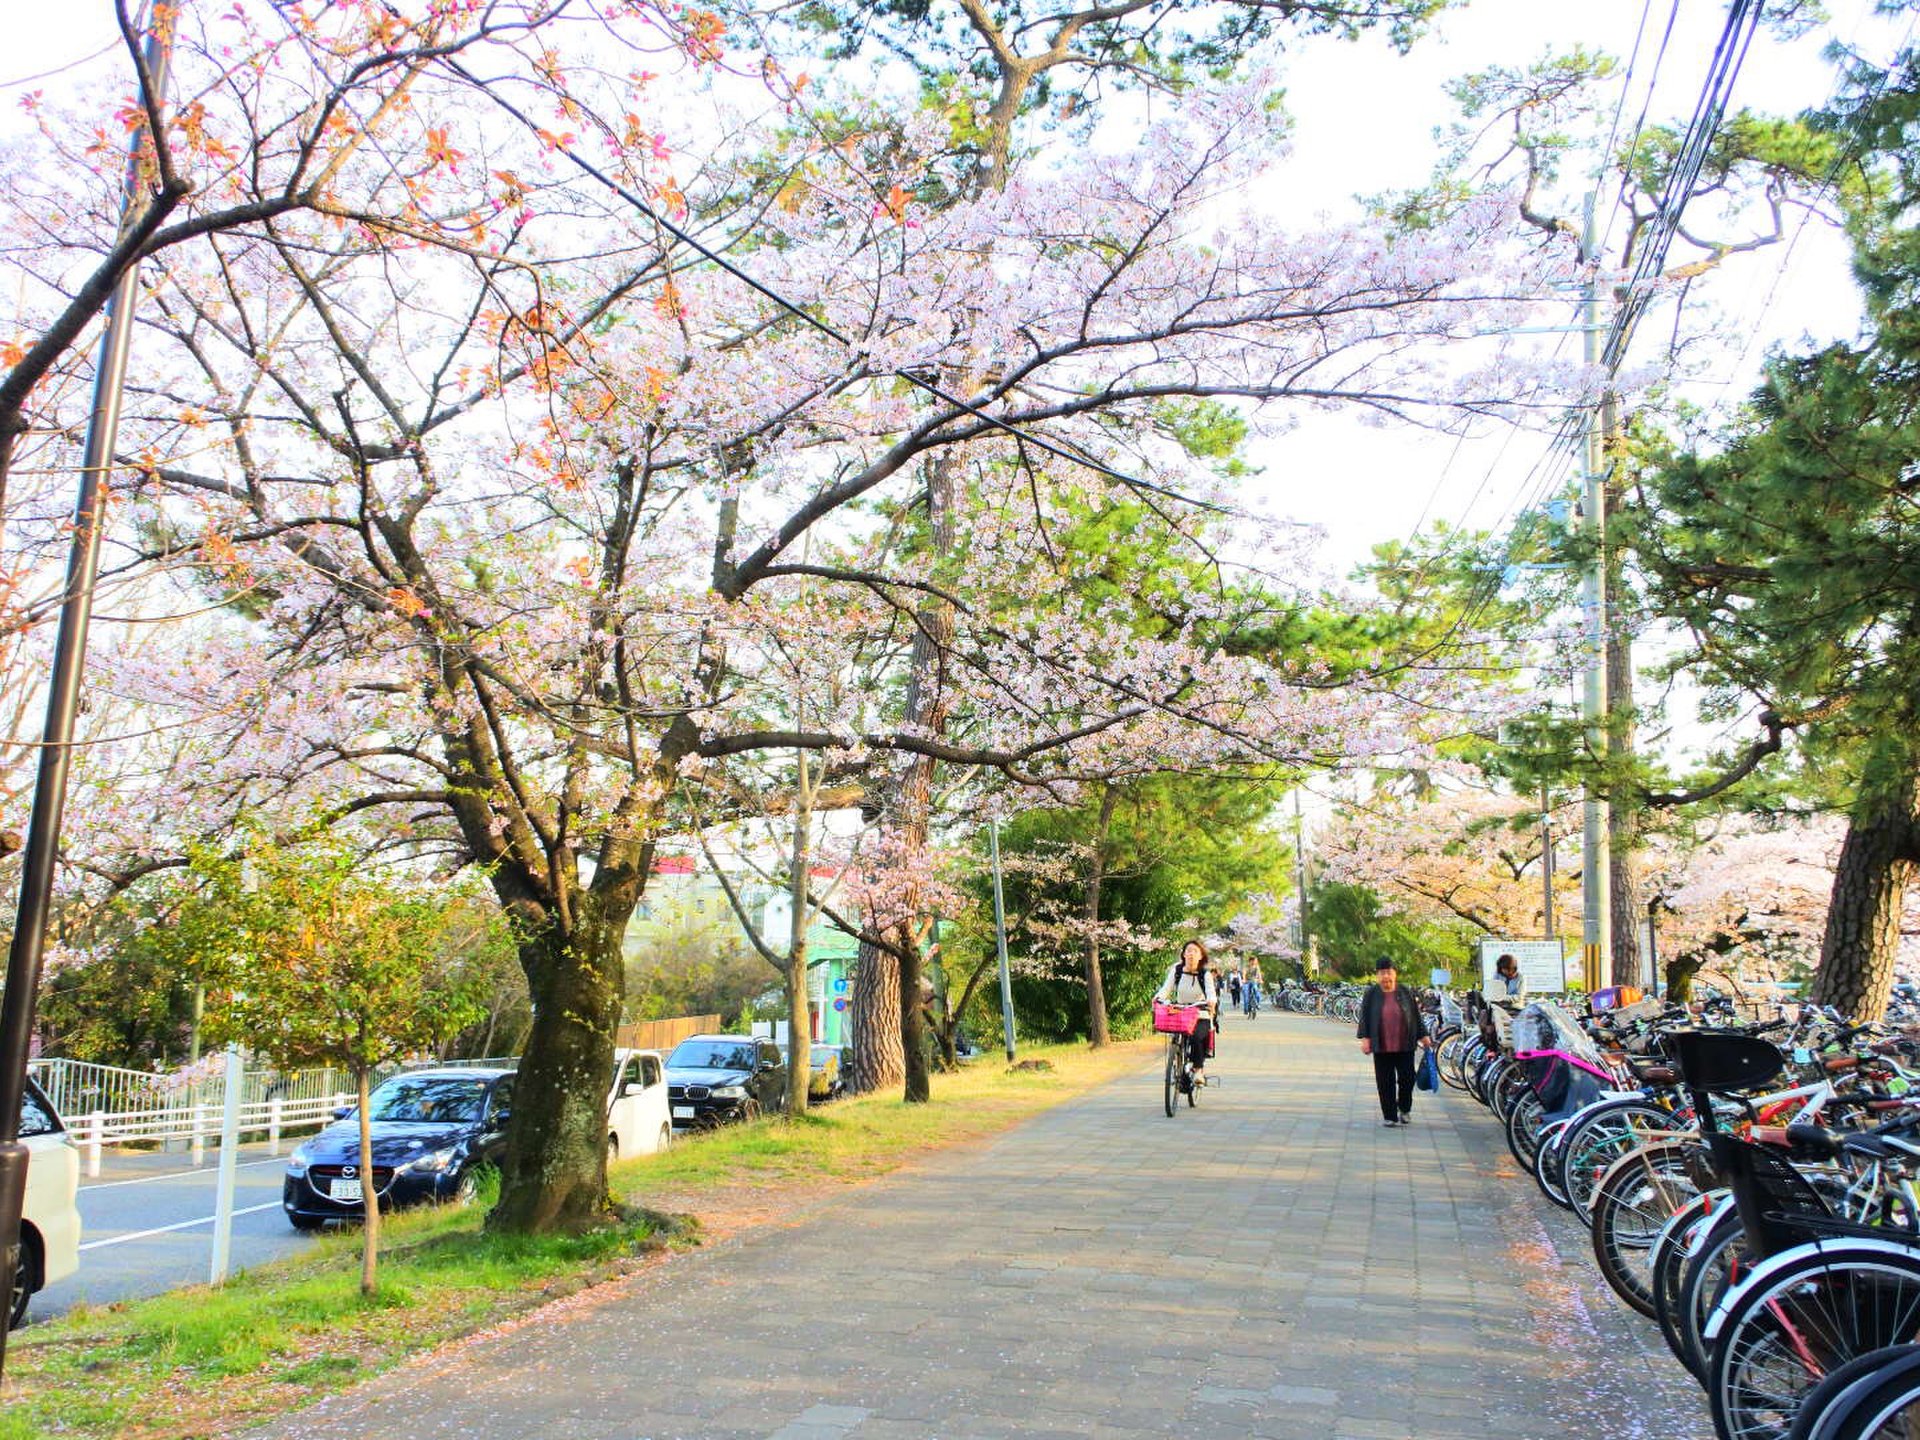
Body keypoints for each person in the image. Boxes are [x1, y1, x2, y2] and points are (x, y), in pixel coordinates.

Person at [1356, 959, 1431, 1127]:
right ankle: (1389, 1115)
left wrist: (1423, 1035)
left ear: (1395, 973)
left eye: (1389, 972)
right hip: (1381, 1045)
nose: (1386, 976)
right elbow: (1365, 1017)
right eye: (1382, 973)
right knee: (1384, 1082)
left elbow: (1415, 1016)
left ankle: (1404, 1108)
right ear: (1377, 975)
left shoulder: (1405, 991)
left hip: (1404, 1045)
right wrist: (1365, 1039)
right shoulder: (1371, 993)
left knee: (1407, 1079)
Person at [1155, 939, 1219, 1088]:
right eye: (1188, 951)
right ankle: (1177, 1058)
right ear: (1183, 954)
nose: (1191, 954)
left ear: (1201, 956)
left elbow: (1211, 993)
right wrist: (1158, 998)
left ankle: (1198, 1070)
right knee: (1176, 1034)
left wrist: (1211, 1001)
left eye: (1195, 951)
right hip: (1180, 1012)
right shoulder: (1177, 970)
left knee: (1196, 1036)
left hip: (1200, 1013)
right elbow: (1166, 988)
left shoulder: (1205, 974)